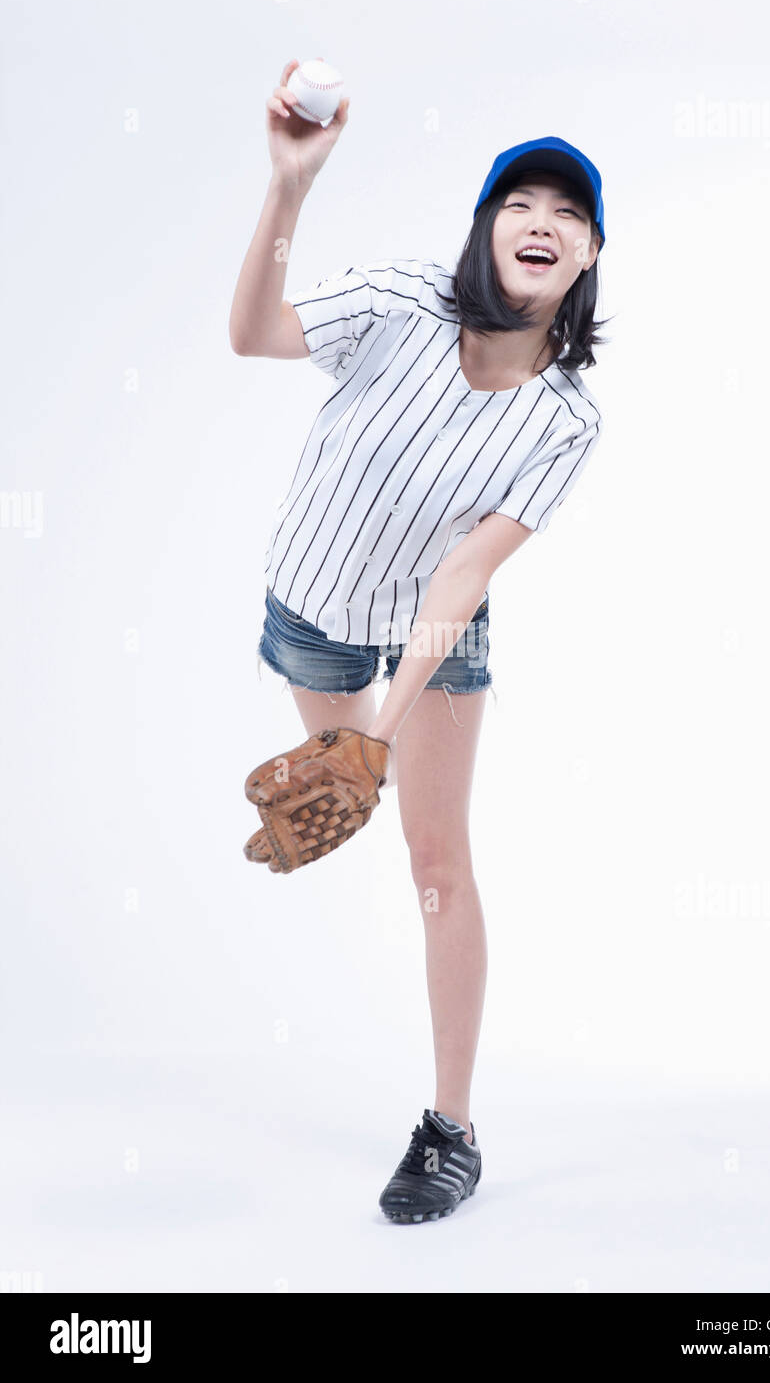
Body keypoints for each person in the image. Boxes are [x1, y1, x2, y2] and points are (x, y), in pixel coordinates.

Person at [229, 59, 608, 1224]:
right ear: (485, 230)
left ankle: (451, 1128)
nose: (540, 223)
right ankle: (356, 772)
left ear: (588, 256)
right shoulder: (400, 298)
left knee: (436, 864)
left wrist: (377, 740)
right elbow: (254, 335)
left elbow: (459, 573)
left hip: (425, 639)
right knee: (340, 798)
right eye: (518, 205)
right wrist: (289, 187)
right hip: (305, 614)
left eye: (567, 214)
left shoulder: (565, 420)